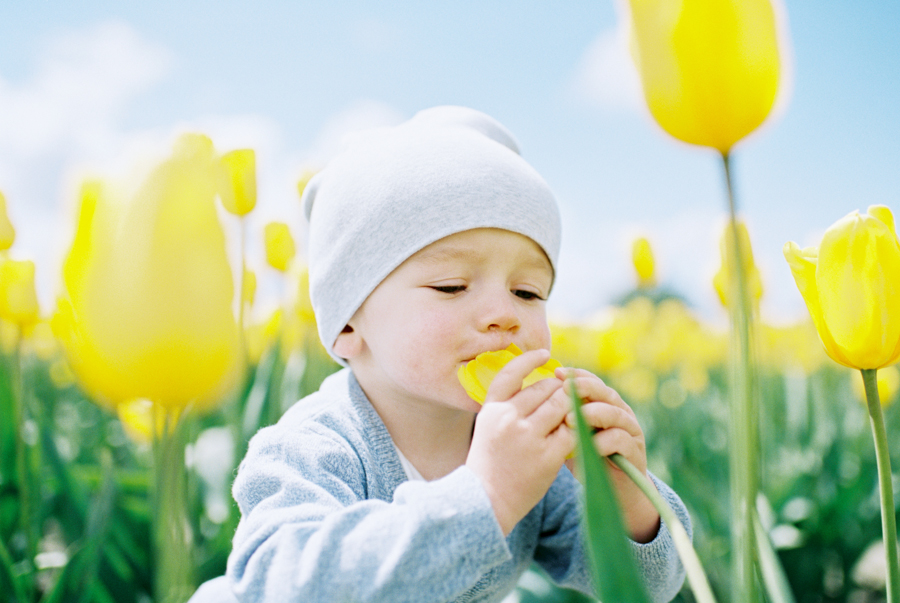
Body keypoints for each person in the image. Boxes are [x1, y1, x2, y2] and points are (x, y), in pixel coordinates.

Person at [190, 106, 691, 603]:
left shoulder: (530, 451)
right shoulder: (315, 448)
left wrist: (625, 498)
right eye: (452, 286)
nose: (504, 313)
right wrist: (486, 497)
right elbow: (279, 588)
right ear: (346, 324)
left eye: (529, 292)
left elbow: (645, 589)